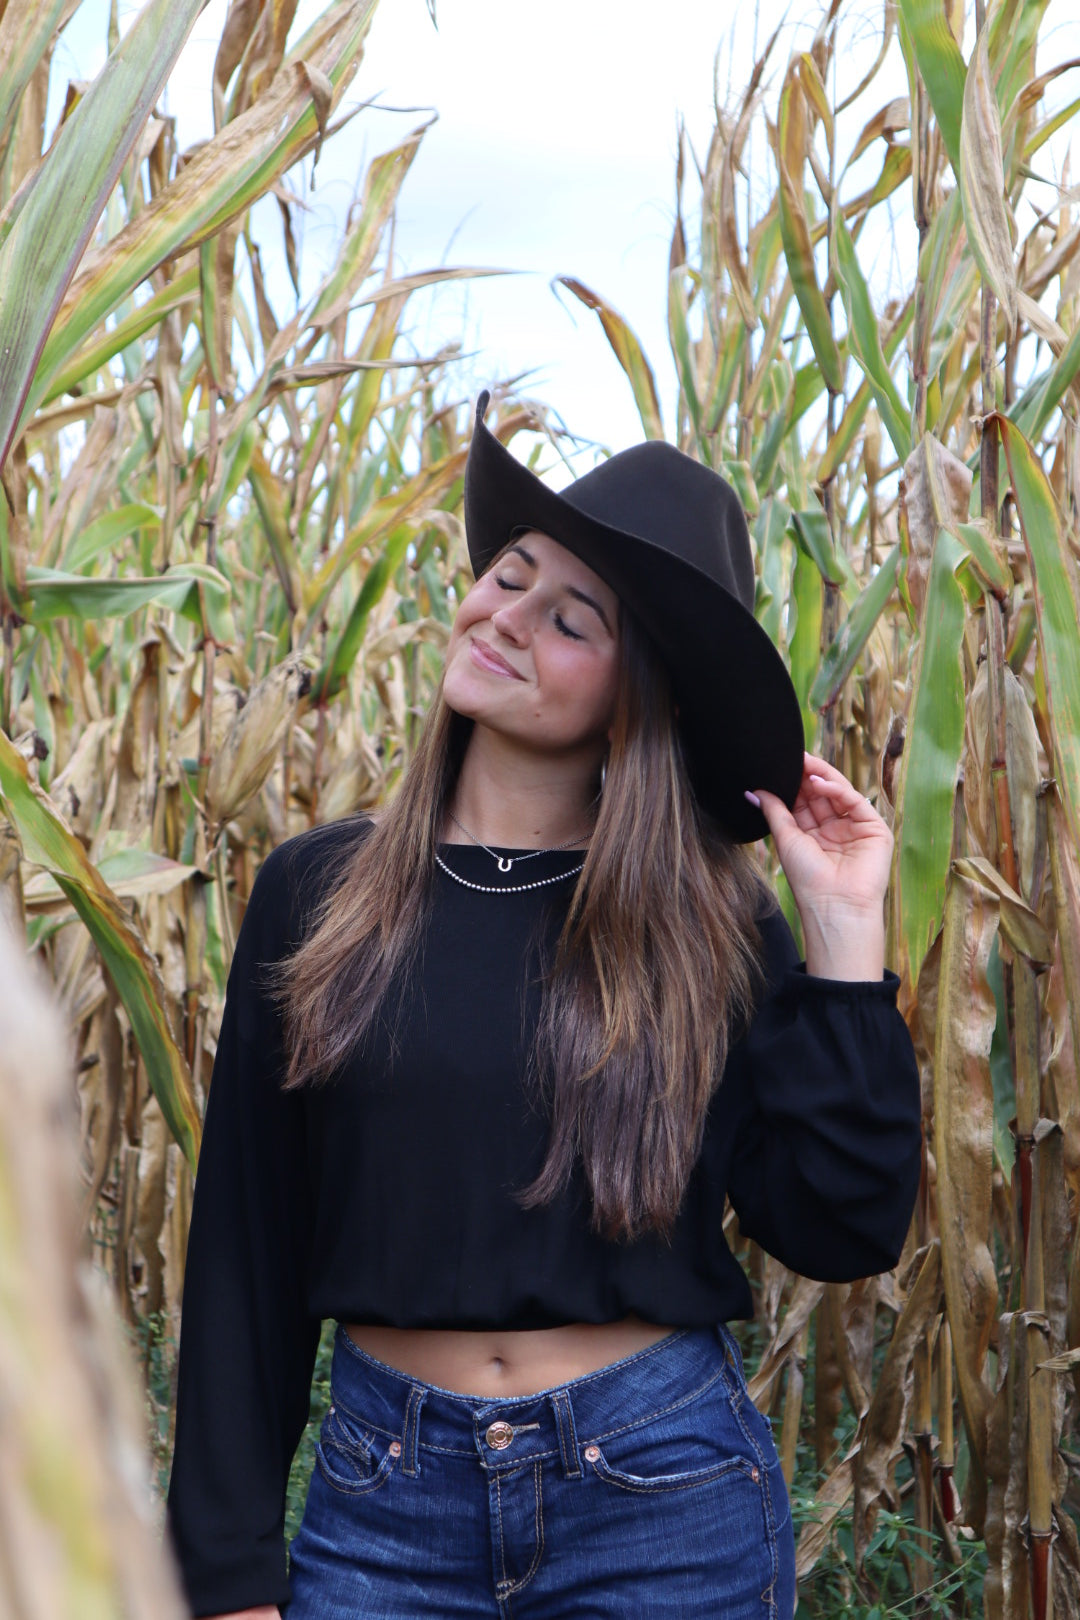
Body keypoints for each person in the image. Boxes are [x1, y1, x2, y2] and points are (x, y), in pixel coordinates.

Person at [167, 392, 922, 1620]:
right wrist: (225, 1576)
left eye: (569, 619)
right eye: (508, 577)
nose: (506, 617)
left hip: (661, 1501)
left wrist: (843, 942)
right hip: (381, 1508)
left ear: (639, 696)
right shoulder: (319, 893)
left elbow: (840, 1229)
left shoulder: (712, 927)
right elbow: (245, 1247)